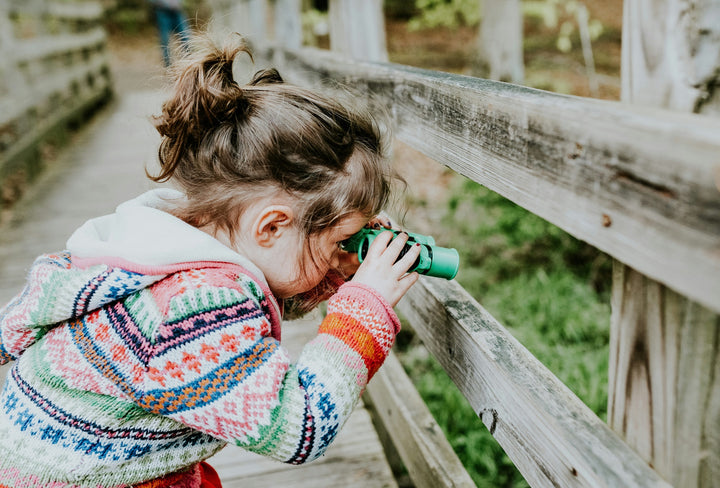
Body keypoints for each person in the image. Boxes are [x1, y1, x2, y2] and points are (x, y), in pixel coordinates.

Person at [0, 36, 421, 487]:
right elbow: (300, 428)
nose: (348, 249)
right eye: (343, 238)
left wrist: (333, 268)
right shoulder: (197, 306)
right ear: (272, 227)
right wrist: (365, 309)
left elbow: (259, 299)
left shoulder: (159, 247)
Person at [148, 0, 192, 67]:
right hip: (162, 12)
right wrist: (165, 4)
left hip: (177, 11)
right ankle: (168, 65)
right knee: (165, 40)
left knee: (185, 37)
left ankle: (190, 62)